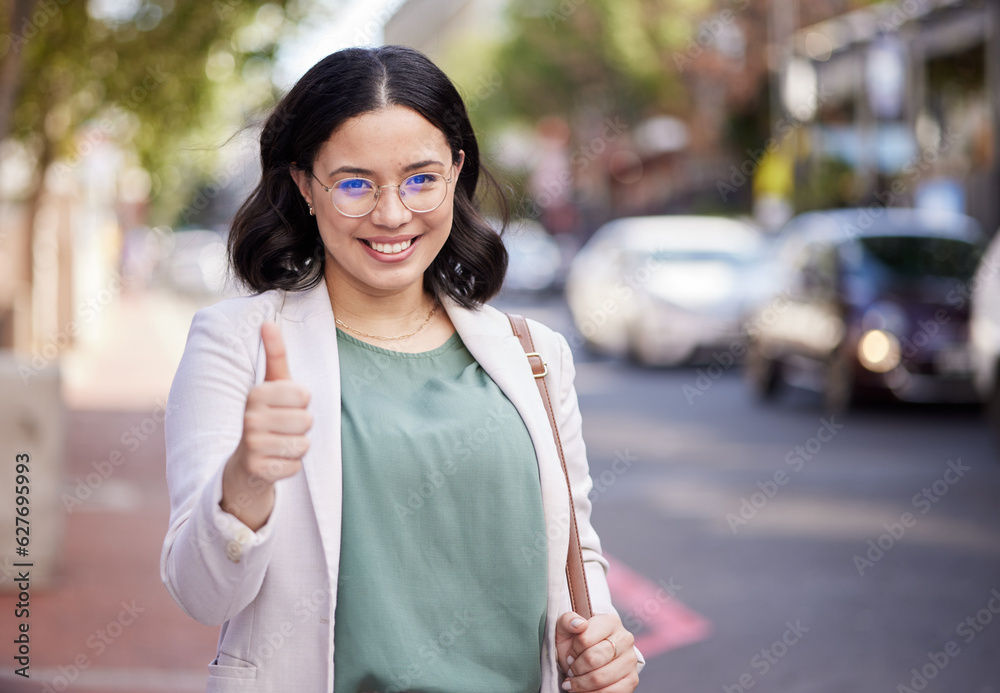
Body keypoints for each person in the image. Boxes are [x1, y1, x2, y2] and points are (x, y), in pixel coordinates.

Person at [160, 45, 642, 693]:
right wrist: (248, 476)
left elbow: (573, 549)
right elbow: (201, 593)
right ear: (305, 185)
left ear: (457, 172)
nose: (392, 213)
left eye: (421, 177)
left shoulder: (534, 354)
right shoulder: (237, 343)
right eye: (355, 182)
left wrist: (601, 641)